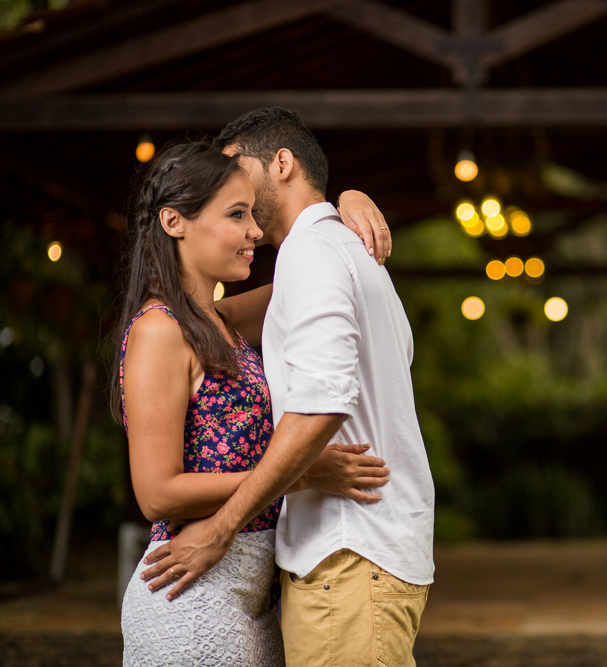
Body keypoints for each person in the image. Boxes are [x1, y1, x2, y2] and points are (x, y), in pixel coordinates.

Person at [142, 107, 435, 667]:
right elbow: (208, 318)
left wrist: (223, 526)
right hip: (345, 559)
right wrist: (340, 203)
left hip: (347, 553)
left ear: (281, 164)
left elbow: (322, 405)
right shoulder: (328, 255)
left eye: (235, 173)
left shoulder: (313, 253)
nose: (230, 188)